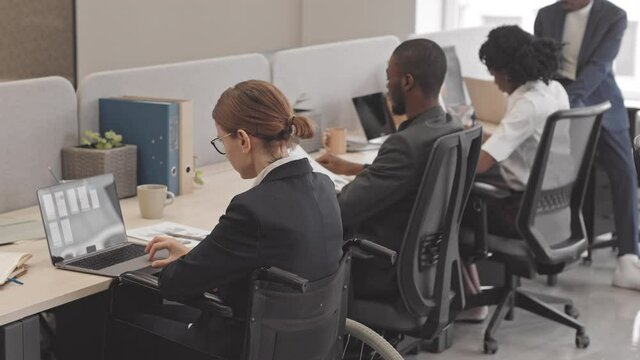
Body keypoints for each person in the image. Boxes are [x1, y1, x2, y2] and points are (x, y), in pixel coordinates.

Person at [121, 80, 344, 358]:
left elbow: (175, 284)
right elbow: (262, 256)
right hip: (302, 346)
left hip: (239, 347)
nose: (225, 152)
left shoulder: (253, 209)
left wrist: (186, 263)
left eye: (222, 141)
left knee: (124, 321)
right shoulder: (323, 187)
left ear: (243, 139)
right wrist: (196, 255)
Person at [317, 39, 463, 299]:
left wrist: (312, 189)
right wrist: (360, 168)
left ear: (406, 82)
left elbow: (342, 211)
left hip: (379, 268)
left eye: (388, 80)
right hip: (425, 264)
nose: (387, 89)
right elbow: (413, 179)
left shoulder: (405, 144)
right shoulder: (450, 126)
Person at [460, 25, 570, 322]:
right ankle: (471, 297)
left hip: (520, 213)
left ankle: (471, 302)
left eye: (493, 72)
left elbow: (481, 164)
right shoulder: (553, 89)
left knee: (445, 211)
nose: (494, 82)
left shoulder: (527, 104)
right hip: (552, 208)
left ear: (507, 71)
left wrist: (443, 153)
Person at [535, 0, 640, 290]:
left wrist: (568, 102)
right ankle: (550, 249)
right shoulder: (546, 15)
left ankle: (629, 258)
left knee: (625, 172)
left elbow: (599, 67)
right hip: (556, 102)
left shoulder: (614, 16)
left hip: (600, 101)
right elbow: (539, 63)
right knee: (553, 173)